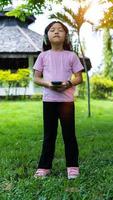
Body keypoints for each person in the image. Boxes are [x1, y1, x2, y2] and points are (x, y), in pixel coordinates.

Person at [33, 21, 84, 179]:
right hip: (49, 101)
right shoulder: (43, 56)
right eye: (52, 30)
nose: (56, 32)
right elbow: (36, 78)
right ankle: (44, 167)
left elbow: (79, 77)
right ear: (47, 35)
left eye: (60, 30)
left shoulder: (71, 56)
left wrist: (68, 83)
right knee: (49, 135)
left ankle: (73, 166)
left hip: (67, 102)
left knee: (69, 135)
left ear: (65, 36)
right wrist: (49, 84)